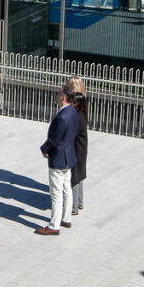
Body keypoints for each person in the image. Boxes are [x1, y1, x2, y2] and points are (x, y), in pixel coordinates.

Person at [36, 82, 81, 235]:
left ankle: (54, 225)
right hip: (69, 155)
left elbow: (54, 138)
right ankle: (66, 218)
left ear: (62, 98)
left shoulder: (62, 117)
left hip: (59, 158)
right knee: (67, 188)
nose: (55, 96)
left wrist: (44, 148)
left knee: (56, 193)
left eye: (57, 94)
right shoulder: (73, 112)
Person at [70, 82, 89, 215]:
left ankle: (73, 206)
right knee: (79, 175)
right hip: (81, 150)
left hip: (76, 150)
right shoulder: (81, 114)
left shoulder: (77, 117)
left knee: (75, 178)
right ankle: (80, 202)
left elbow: (71, 134)